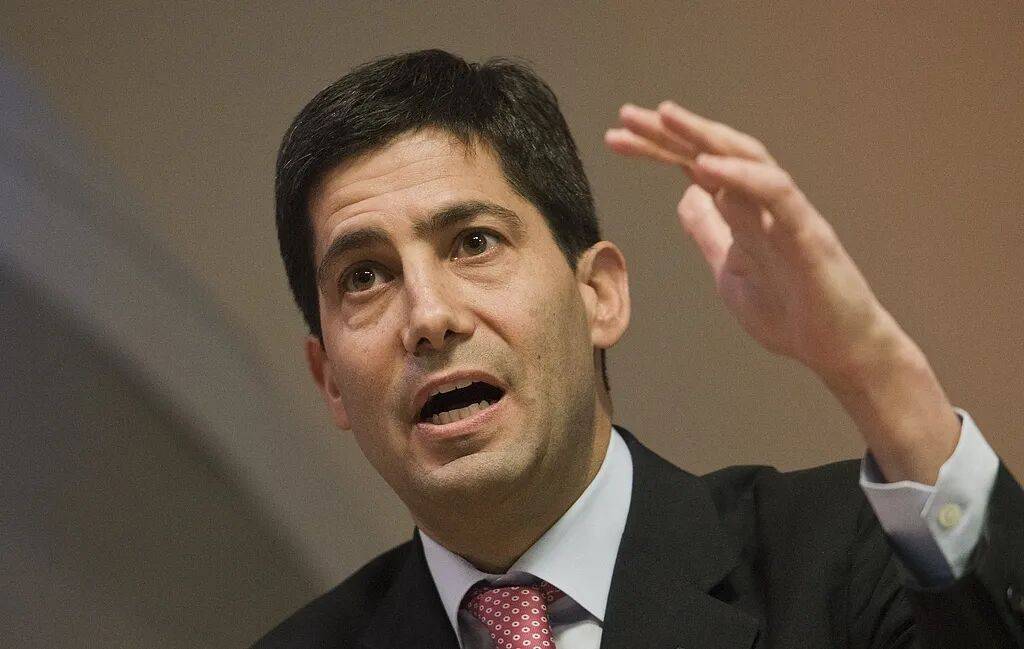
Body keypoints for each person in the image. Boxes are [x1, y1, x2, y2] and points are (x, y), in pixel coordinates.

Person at [254, 49, 1023, 648]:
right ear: (330, 381)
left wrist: (872, 371)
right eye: (364, 276)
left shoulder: (844, 561)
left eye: (474, 242)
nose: (428, 315)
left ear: (599, 293)